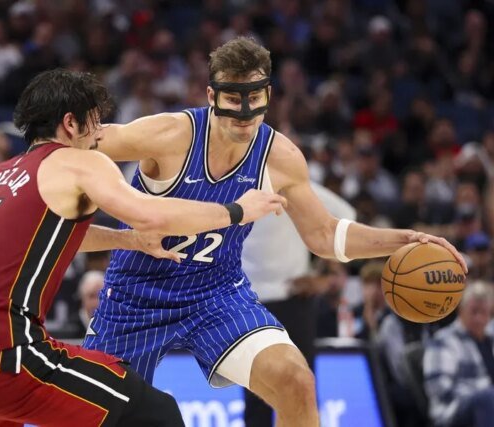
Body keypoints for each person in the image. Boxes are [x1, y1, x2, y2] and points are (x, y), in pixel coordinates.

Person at [83, 37, 467, 427]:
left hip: (215, 293)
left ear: (268, 94)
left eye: (254, 98)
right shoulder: (170, 134)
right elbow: (82, 144)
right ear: (212, 96)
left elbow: (324, 235)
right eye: (233, 98)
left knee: (296, 380)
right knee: (97, 416)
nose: (244, 112)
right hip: (136, 297)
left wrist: (403, 240)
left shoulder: (280, 156)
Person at [0, 69, 284, 427]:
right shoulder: (78, 162)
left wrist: (126, 240)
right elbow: (150, 214)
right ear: (70, 123)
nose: (100, 135)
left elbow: (53, 237)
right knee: (156, 414)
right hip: (2, 355)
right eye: (95, 123)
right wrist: (237, 211)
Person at [241, 181, 356, 426]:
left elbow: (346, 215)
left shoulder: (291, 186)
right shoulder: (229, 184)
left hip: (293, 299)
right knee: (257, 397)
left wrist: (324, 272)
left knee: (302, 390)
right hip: (248, 302)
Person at [423, 281, 494, 427]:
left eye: (484, 312)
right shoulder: (443, 340)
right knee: (485, 398)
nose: (479, 318)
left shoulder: (491, 338)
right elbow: (438, 387)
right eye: (474, 311)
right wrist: (482, 393)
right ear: (461, 310)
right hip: (452, 411)